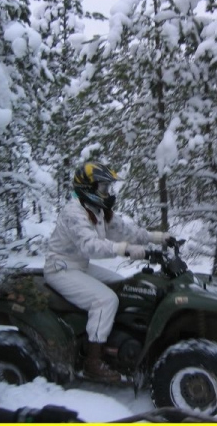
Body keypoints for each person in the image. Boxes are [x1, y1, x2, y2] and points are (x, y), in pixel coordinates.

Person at [44, 161, 171, 383]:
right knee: (105, 300)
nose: (107, 192)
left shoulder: (98, 211)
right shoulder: (74, 212)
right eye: (103, 187)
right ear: (88, 188)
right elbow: (90, 245)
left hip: (80, 266)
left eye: (108, 187)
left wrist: (157, 237)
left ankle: (116, 339)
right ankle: (93, 361)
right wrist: (125, 250)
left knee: (123, 286)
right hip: (60, 268)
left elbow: (125, 231)